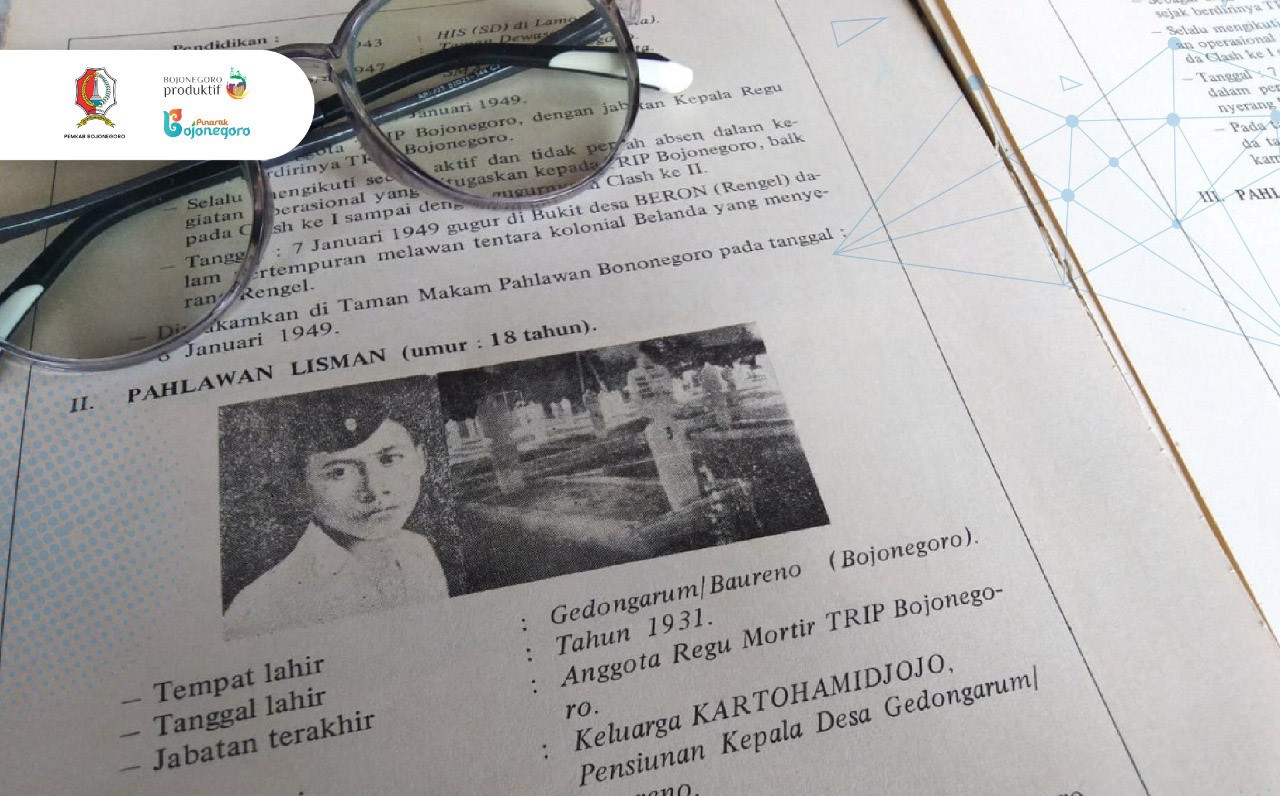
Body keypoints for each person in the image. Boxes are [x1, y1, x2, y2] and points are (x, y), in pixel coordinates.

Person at [224, 393, 449, 639]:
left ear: (421, 459)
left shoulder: (418, 549)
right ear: (298, 488)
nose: (374, 490)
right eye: (339, 472)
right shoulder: (259, 609)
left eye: (388, 459)